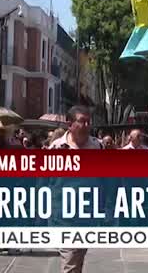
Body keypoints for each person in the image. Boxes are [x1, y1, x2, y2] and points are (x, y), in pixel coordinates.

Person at [49, 106, 102, 272]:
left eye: (88, 121)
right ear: (69, 124)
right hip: (64, 214)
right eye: (81, 121)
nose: (86, 125)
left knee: (78, 257)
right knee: (71, 260)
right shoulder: (57, 148)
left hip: (88, 213)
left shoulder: (97, 147)